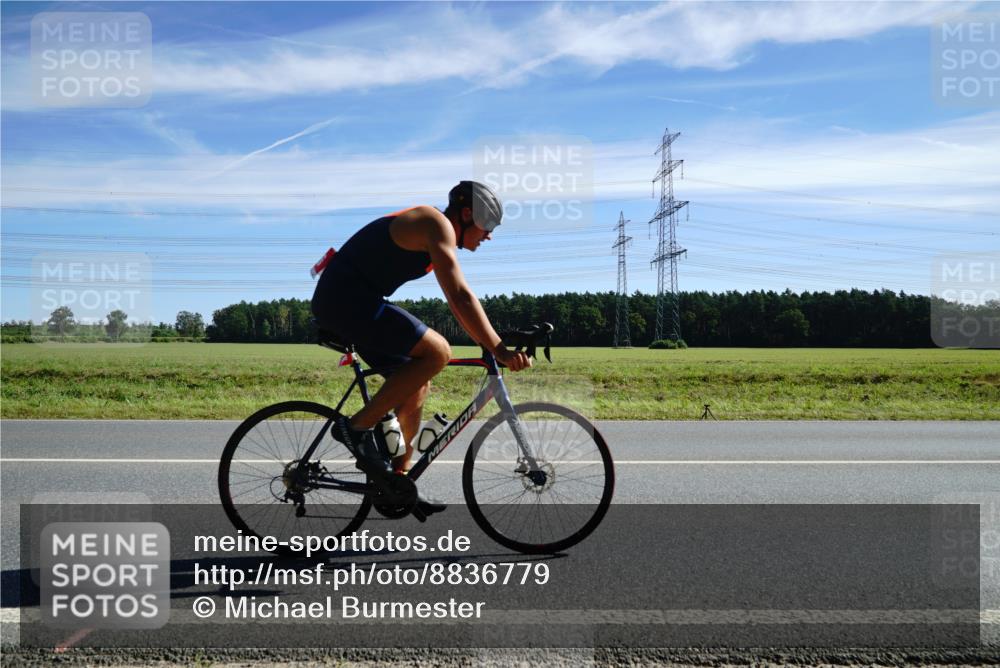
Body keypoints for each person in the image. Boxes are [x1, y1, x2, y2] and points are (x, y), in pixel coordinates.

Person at [311, 181, 532, 517]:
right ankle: (355, 428)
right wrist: (498, 348)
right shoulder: (436, 225)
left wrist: (490, 342)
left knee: (418, 380)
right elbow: (459, 296)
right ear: (468, 214)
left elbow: (459, 304)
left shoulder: (438, 233)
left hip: (356, 300)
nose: (489, 236)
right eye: (488, 226)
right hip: (345, 300)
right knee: (437, 352)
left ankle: (397, 482)